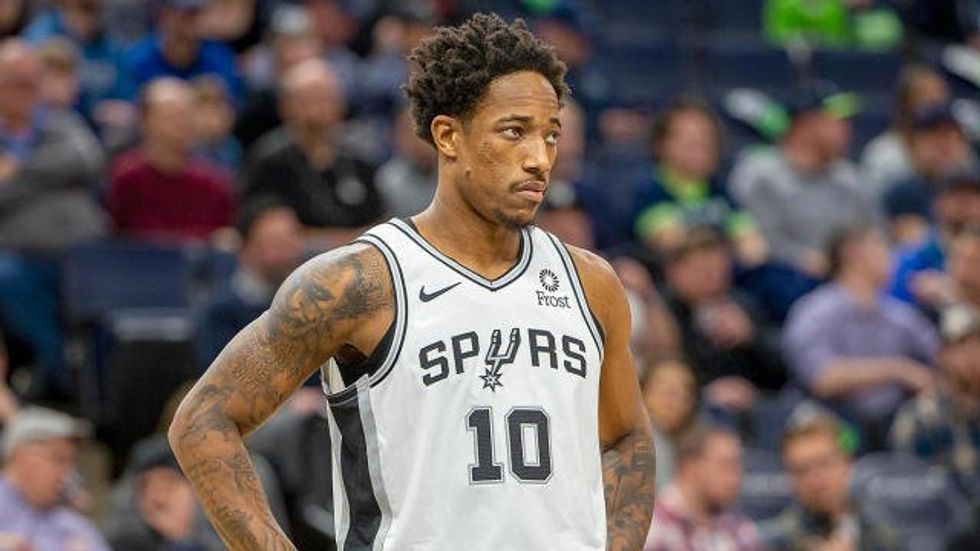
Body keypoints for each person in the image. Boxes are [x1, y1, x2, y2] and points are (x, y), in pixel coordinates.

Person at [169, 13, 655, 550]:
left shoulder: (590, 284)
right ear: (447, 135)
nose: (540, 159)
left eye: (551, 134)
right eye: (514, 131)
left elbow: (626, 437)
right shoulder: (361, 281)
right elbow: (203, 421)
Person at [783, 225, 939, 449]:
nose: (891, 258)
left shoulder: (897, 314)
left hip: (893, 423)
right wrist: (898, 370)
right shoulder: (815, 311)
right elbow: (822, 378)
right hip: (838, 424)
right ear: (854, 254)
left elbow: (942, 357)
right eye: (882, 247)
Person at [730, 84, 874, 279]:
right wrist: (807, 260)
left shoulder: (851, 178)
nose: (846, 129)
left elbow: (874, 232)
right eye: (836, 121)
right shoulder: (760, 175)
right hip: (785, 277)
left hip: (848, 279)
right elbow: (759, 240)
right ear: (806, 125)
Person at [242, 58, 383, 250]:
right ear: (285, 106)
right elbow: (268, 228)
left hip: (363, 254)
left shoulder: (359, 153)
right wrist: (344, 241)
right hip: (298, 260)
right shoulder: (269, 159)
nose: (321, 108)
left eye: (328, 98)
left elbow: (380, 216)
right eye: (310, 100)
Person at [662, 227, 787, 410]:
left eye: (721, 270)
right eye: (703, 271)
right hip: (690, 406)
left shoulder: (740, 303)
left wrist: (751, 337)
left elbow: (783, 370)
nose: (714, 279)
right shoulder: (662, 311)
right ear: (674, 271)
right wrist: (705, 393)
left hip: (754, 403)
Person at [632, 98, 765, 265]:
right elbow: (672, 244)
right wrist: (729, 244)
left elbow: (754, 249)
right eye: (689, 138)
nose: (701, 144)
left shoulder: (721, 189)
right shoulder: (649, 191)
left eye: (707, 136)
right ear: (661, 144)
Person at [108, 77, 235, 243]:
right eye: (171, 116)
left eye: (187, 116)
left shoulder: (214, 183)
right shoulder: (126, 179)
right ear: (145, 120)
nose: (181, 124)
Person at [760, 409, 901, 550]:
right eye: (801, 470)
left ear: (846, 462)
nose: (814, 480)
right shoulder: (776, 542)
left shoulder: (882, 534)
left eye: (824, 464)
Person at [197, 198, 306, 369]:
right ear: (246, 248)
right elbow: (222, 376)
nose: (288, 251)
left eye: (292, 238)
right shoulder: (223, 312)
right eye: (275, 242)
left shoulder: (312, 301)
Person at [890, 303, 980, 502]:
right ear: (942, 355)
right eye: (962, 347)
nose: (973, 356)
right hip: (946, 517)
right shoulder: (918, 419)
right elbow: (910, 497)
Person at [0, 407, 111, 551]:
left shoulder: (73, 527)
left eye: (71, 462)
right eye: (58, 460)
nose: (67, 473)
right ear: (20, 456)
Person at [644, 425, 760, 550]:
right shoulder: (652, 530)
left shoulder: (740, 529)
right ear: (689, 467)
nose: (735, 479)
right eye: (725, 465)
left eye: (737, 467)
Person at [125, 0, 244, 106]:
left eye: (197, 14)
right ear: (164, 15)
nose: (191, 24)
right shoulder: (138, 60)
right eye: (184, 15)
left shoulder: (220, 57)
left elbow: (233, 106)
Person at [862, 65, 952, 191]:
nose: (934, 101)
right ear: (905, 103)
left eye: (939, 92)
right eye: (924, 94)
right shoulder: (884, 153)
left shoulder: (960, 151)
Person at [642, 356, 699, 490]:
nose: (675, 402)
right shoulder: (643, 441)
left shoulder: (690, 441)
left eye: (684, 395)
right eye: (668, 393)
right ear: (643, 392)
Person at [375, 107, 438, 218]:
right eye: (408, 132)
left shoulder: (454, 173)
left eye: (424, 132)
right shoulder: (387, 178)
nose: (418, 140)